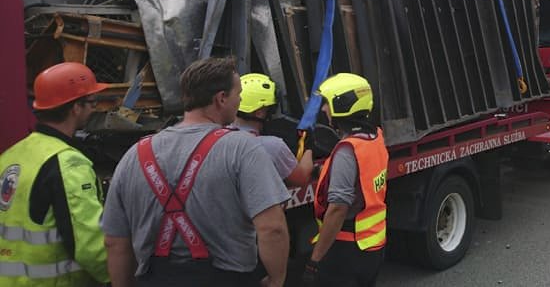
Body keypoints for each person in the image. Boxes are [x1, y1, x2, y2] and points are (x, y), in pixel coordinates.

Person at [102, 57, 290, 287]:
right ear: (221, 98)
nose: (239, 100)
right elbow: (273, 228)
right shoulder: (242, 148)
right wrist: (277, 279)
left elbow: (115, 242)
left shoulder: (135, 154)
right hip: (227, 279)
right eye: (237, 94)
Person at [0, 62, 110, 286]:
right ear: (75, 108)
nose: (93, 108)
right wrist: (119, 277)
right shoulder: (68, 163)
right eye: (92, 102)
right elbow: (90, 245)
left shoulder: (10, 155)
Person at [301, 73, 388, 287]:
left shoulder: (347, 150)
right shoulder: (374, 137)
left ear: (343, 105)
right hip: (372, 246)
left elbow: (338, 208)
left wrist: (315, 260)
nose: (323, 109)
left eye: (327, 103)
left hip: (346, 250)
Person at [234, 73, 314, 186]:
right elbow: (302, 178)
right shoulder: (272, 146)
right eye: (271, 109)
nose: (273, 113)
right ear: (259, 113)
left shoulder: (216, 138)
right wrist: (307, 146)